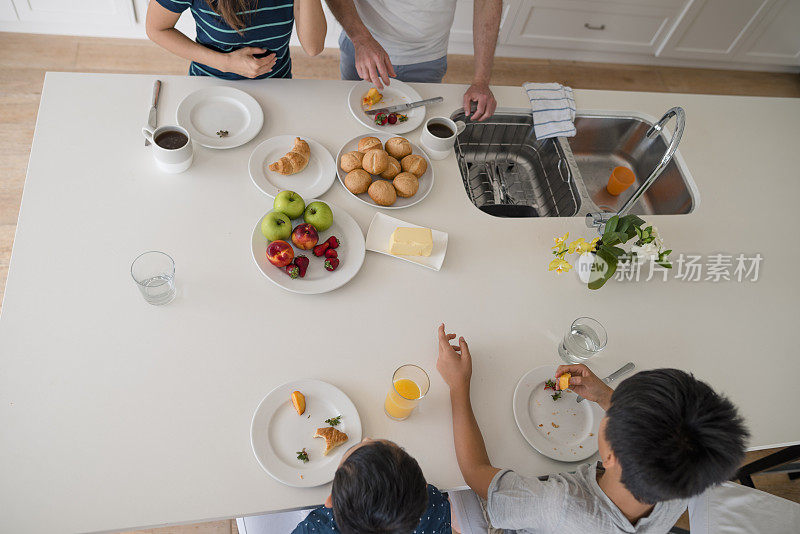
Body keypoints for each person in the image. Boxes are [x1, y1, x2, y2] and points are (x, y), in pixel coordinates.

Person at [435, 324, 750, 533]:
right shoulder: (689, 477)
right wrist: (607, 398)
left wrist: (458, 386)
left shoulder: (559, 504)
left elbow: (476, 472)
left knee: (447, 485)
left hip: (525, 519)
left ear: (611, 454)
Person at [325, 0, 501, 121]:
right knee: (351, 120)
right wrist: (361, 39)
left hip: (428, 57)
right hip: (362, 47)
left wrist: (481, 80)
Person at [292, 438, 451, 533]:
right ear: (423, 488)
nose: (367, 438)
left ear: (331, 500)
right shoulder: (434, 507)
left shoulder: (313, 529)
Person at [146, 0, 327, 80]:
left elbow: (314, 47)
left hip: (276, 84)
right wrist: (226, 63)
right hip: (210, 83)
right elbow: (156, 29)